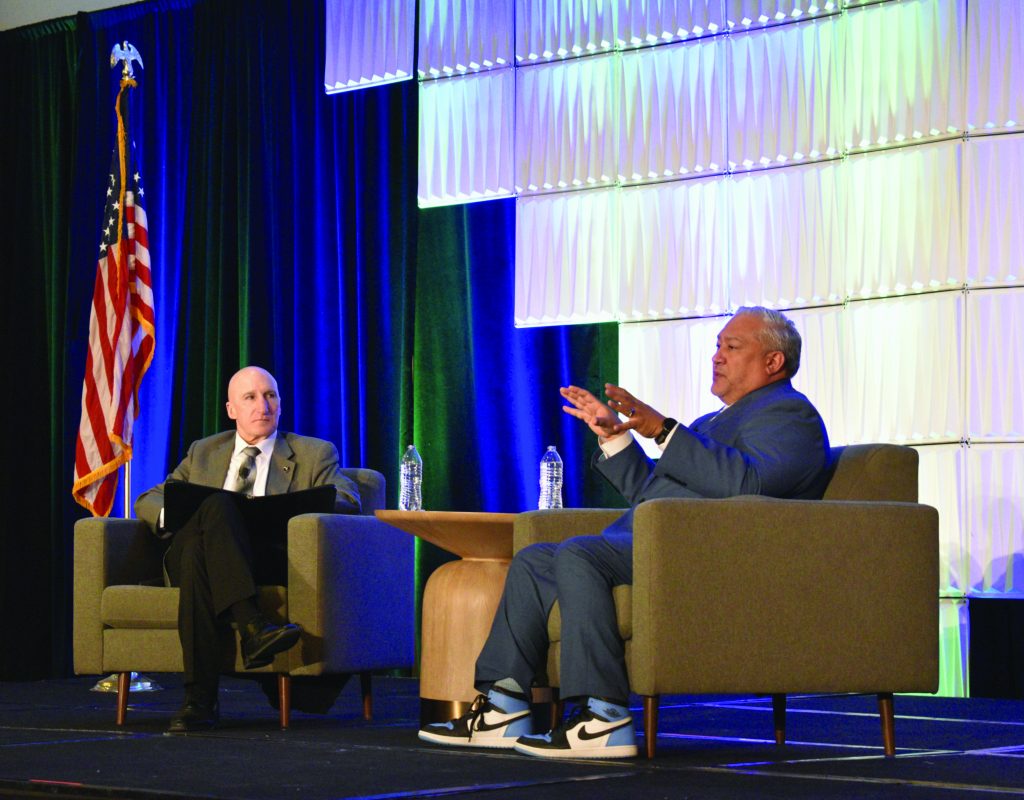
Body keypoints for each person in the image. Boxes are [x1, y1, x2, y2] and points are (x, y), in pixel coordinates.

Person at [418, 306, 831, 759]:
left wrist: (664, 431)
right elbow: (651, 493)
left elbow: (751, 484)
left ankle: (605, 717)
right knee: (537, 559)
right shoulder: (711, 425)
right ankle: (503, 706)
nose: (717, 357)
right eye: (717, 346)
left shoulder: (791, 414)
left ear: (773, 362)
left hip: (710, 555)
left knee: (580, 554)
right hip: (657, 540)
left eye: (732, 347)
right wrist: (615, 437)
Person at [135, 366, 360, 733]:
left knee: (197, 554)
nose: (263, 405)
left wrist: (300, 511)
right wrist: (173, 517)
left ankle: (199, 702)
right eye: (250, 398)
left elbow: (349, 500)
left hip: (263, 559)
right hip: (199, 556)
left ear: (280, 403)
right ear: (231, 409)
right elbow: (152, 497)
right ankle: (254, 627)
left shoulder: (314, 454)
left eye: (270, 396)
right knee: (215, 512)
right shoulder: (204, 451)